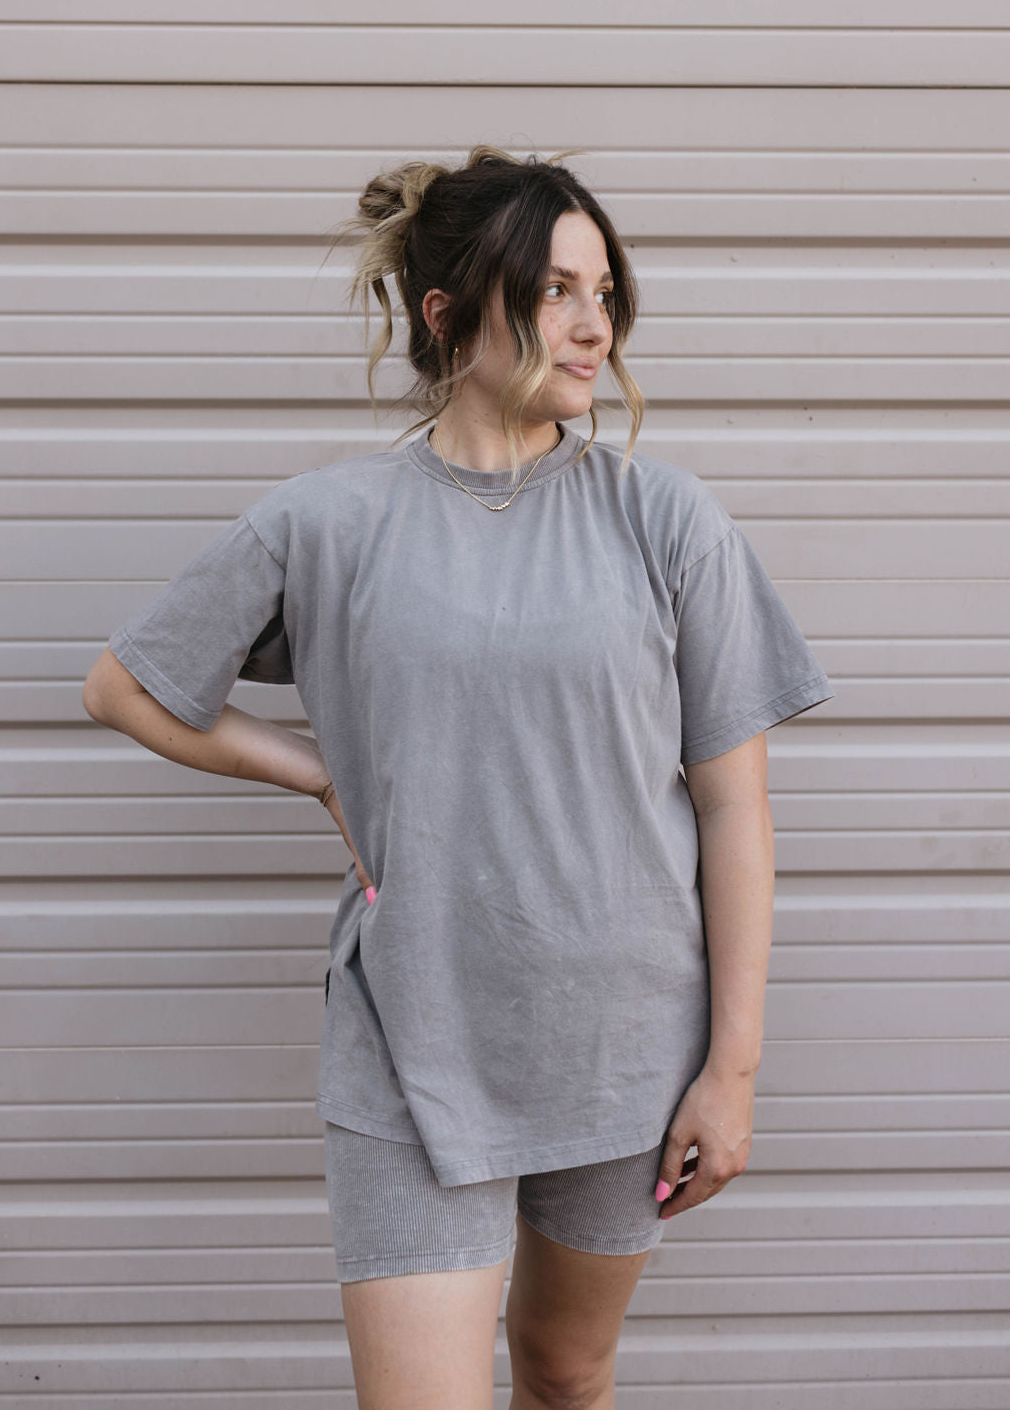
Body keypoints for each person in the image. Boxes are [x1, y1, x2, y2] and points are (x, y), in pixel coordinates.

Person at [83, 145, 834, 1410]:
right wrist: (316, 772)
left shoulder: (664, 521)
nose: (594, 323)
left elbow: (730, 804)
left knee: (563, 1369)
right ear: (446, 312)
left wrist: (733, 1067)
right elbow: (127, 685)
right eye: (554, 291)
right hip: (410, 1045)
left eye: (605, 289)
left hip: (626, 1044)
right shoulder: (329, 521)